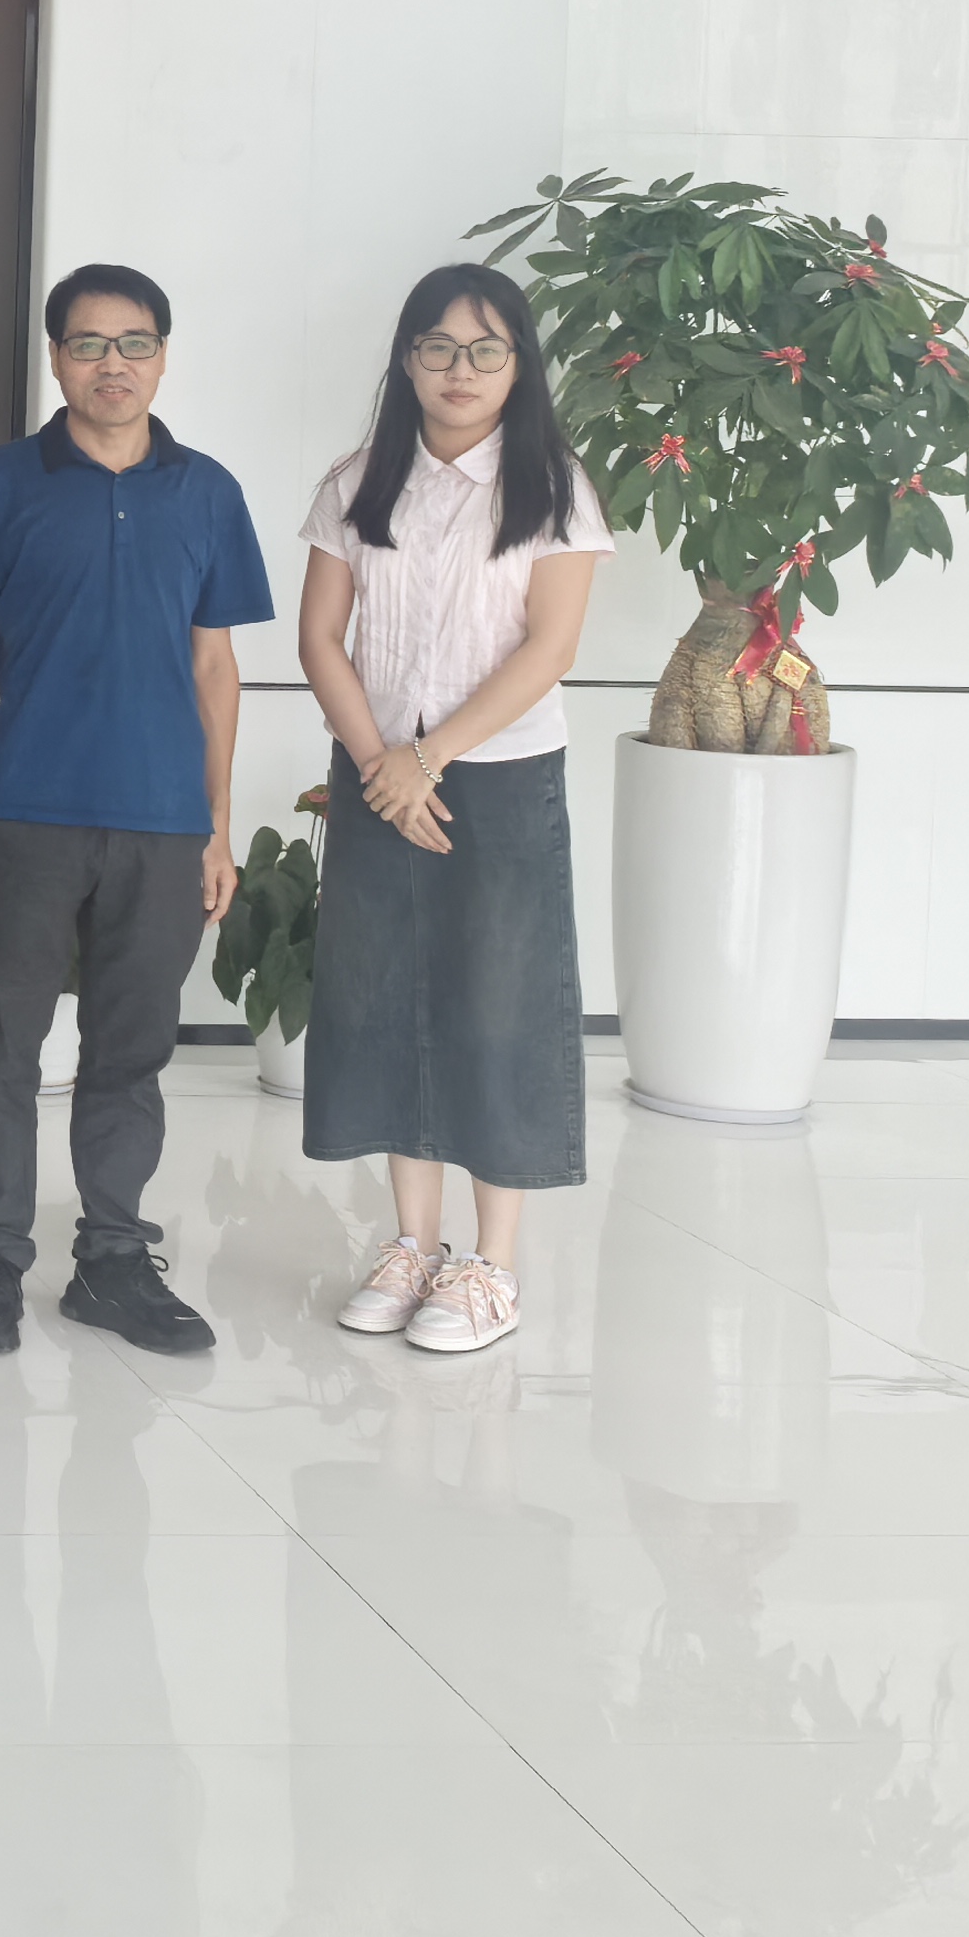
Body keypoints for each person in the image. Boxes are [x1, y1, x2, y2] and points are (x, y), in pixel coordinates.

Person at [0, 264, 271, 1357]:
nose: (111, 364)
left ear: (163, 357)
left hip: (164, 821)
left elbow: (214, 667)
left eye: (134, 344)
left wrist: (215, 824)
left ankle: (112, 1260)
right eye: (87, 344)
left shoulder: (207, 491)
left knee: (130, 1055)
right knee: (1, 1053)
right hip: (26, 809)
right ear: (54, 357)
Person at [295, 262, 610, 1355]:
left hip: (498, 772)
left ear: (519, 365)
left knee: (498, 1003)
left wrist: (428, 758)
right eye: (437, 347)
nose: (459, 370)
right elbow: (319, 639)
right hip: (376, 766)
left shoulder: (553, 486)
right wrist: (380, 762)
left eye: (485, 350)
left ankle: (492, 1265)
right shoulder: (357, 482)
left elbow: (549, 648)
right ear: (406, 360)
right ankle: (413, 1245)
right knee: (385, 997)